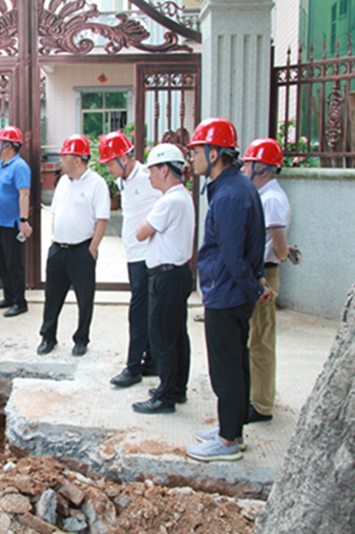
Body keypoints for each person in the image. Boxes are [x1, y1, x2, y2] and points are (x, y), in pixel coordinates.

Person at [183, 118, 276, 462]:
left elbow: (233, 254)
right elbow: (251, 244)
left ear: (214, 153)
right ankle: (232, 430)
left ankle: (226, 443)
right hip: (232, 290)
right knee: (237, 364)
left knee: (225, 371)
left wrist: (253, 287)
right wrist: (257, 283)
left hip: (227, 293)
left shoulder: (229, 195)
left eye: (197, 151)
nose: (192, 158)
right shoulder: (238, 186)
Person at [130, 144, 195, 414]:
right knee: (177, 334)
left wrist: (145, 221)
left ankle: (165, 396)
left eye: (153, 170)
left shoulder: (168, 202)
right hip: (178, 274)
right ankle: (176, 388)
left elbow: (140, 233)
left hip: (166, 277)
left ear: (165, 170)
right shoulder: (184, 197)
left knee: (161, 337)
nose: (149, 176)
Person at [240, 138, 298, 423]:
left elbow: (279, 245)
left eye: (248, 164)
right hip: (258, 270)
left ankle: (262, 405)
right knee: (254, 337)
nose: (243, 169)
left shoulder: (272, 199)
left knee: (261, 340)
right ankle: (255, 395)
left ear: (262, 168)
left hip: (266, 272)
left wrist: (285, 253)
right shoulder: (264, 194)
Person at [97, 131, 161, 387]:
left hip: (147, 256)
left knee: (138, 312)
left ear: (124, 158)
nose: (108, 169)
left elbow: (166, 206)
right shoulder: (123, 179)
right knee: (144, 309)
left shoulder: (147, 178)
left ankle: (133, 367)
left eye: (110, 163)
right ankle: (152, 360)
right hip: (133, 254)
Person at [37, 134, 110, 356]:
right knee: (52, 297)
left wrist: (93, 248)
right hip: (58, 249)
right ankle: (48, 337)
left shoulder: (97, 184)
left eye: (64, 156)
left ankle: (81, 339)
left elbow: (102, 219)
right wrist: (53, 239)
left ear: (78, 159)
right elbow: (55, 213)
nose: (59, 160)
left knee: (84, 298)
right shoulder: (62, 182)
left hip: (82, 250)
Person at [0, 126, 32, 318]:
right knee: (3, 263)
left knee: (14, 265)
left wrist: (23, 220)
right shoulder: (1, 166)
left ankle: (20, 302)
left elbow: (24, 194)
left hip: (11, 224)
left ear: (9, 145)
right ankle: (9, 297)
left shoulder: (19, 166)